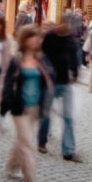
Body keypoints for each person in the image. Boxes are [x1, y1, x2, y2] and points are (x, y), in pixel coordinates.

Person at [1, 25, 54, 182]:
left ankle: (11, 166)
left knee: (22, 140)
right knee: (28, 142)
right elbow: (8, 84)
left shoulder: (41, 58)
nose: (36, 40)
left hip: (35, 106)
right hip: (20, 106)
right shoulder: (17, 59)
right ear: (25, 39)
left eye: (37, 37)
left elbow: (49, 77)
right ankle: (29, 179)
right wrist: (6, 103)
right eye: (32, 37)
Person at [38, 11, 81, 162]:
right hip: (50, 81)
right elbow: (41, 57)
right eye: (69, 25)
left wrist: (75, 73)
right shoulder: (50, 36)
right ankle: (42, 141)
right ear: (62, 22)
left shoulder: (71, 39)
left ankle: (68, 151)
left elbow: (74, 59)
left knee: (68, 116)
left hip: (65, 82)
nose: (71, 28)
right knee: (45, 114)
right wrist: (45, 74)